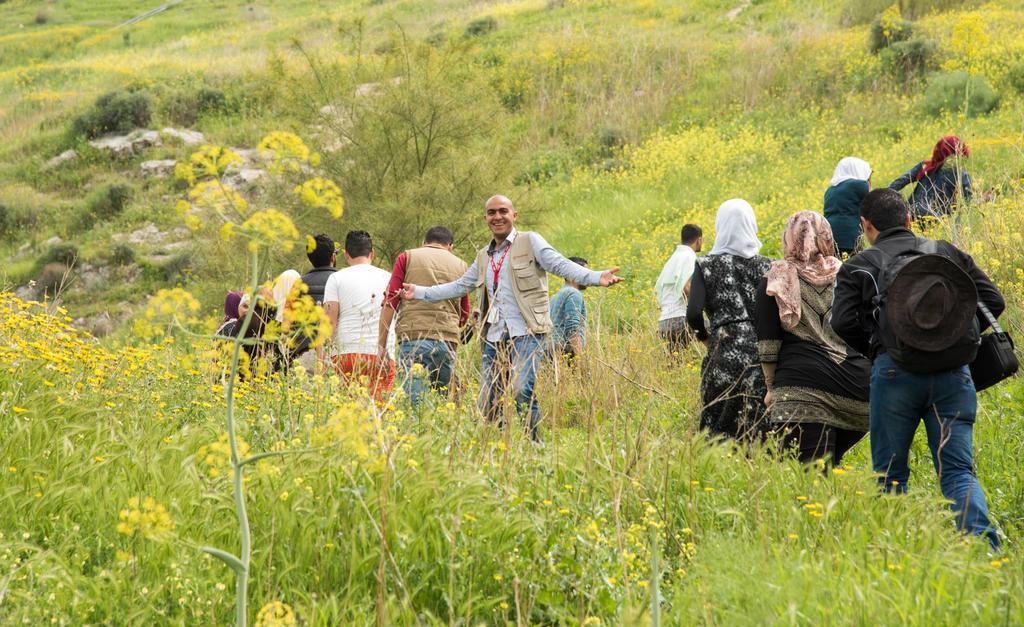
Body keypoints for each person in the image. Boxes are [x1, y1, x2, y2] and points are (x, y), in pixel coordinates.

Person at [831, 188, 1003, 549]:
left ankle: (898, 556)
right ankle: (985, 553)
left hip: (894, 377)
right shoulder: (945, 252)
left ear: (866, 225)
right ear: (909, 218)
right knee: (957, 471)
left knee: (890, 477)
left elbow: (842, 322)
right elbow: (993, 301)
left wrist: (883, 347)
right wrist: (952, 334)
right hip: (953, 374)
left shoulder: (860, 265)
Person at [399, 195, 622, 442]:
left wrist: (595, 276)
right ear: (485, 219)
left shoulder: (530, 242)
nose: (497, 217)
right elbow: (460, 286)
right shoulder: (484, 256)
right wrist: (419, 292)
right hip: (495, 336)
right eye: (492, 213)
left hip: (527, 332)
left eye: (503, 211)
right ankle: (498, 447)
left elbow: (559, 265)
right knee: (487, 400)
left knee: (520, 391)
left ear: (514, 215)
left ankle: (534, 444)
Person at [755, 211, 869, 466]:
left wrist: (771, 388)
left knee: (812, 479)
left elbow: (768, 345)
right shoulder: (847, 274)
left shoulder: (776, 279)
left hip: (801, 390)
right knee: (829, 467)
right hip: (857, 390)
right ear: (826, 237)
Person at [686, 199, 771, 442]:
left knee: (718, 429)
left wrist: (705, 337)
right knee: (758, 428)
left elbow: (693, 313)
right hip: (762, 355)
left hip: (723, 349)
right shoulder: (768, 265)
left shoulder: (706, 265)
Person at [379, 226, 470, 407]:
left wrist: (381, 345)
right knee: (446, 401)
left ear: (423, 243)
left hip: (412, 337)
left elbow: (391, 301)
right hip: (447, 339)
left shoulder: (407, 257)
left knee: (416, 403)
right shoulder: (461, 265)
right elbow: (464, 314)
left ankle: (417, 431)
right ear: (450, 247)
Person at [323, 230, 396, 399]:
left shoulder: (336, 278)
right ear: (373, 254)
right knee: (379, 411)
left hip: (346, 353)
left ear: (346, 254)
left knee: (348, 412)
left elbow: (330, 323)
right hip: (381, 354)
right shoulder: (389, 277)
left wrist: (323, 359)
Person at [889, 135, 972, 219]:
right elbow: (966, 204)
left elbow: (898, 183)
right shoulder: (961, 175)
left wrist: (883, 199)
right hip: (937, 220)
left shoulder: (925, 165)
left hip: (911, 213)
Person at [655, 224, 703, 353]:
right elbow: (685, 286)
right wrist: (701, 305)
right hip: (680, 320)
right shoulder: (689, 256)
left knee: (675, 365)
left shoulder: (673, 258)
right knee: (718, 334)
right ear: (699, 240)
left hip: (664, 323)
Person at [823, 157, 871, 257]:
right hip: (850, 236)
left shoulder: (830, 190)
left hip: (828, 236)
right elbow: (874, 202)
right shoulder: (860, 185)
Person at [549, 256, 589, 360]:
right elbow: (572, 329)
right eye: (585, 273)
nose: (588, 276)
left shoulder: (555, 296)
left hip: (552, 351)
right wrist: (580, 360)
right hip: (566, 353)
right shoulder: (573, 293)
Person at [300, 233, 338, 306]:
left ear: (310, 258)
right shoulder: (343, 280)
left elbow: (288, 315)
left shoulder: (300, 283)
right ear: (333, 257)